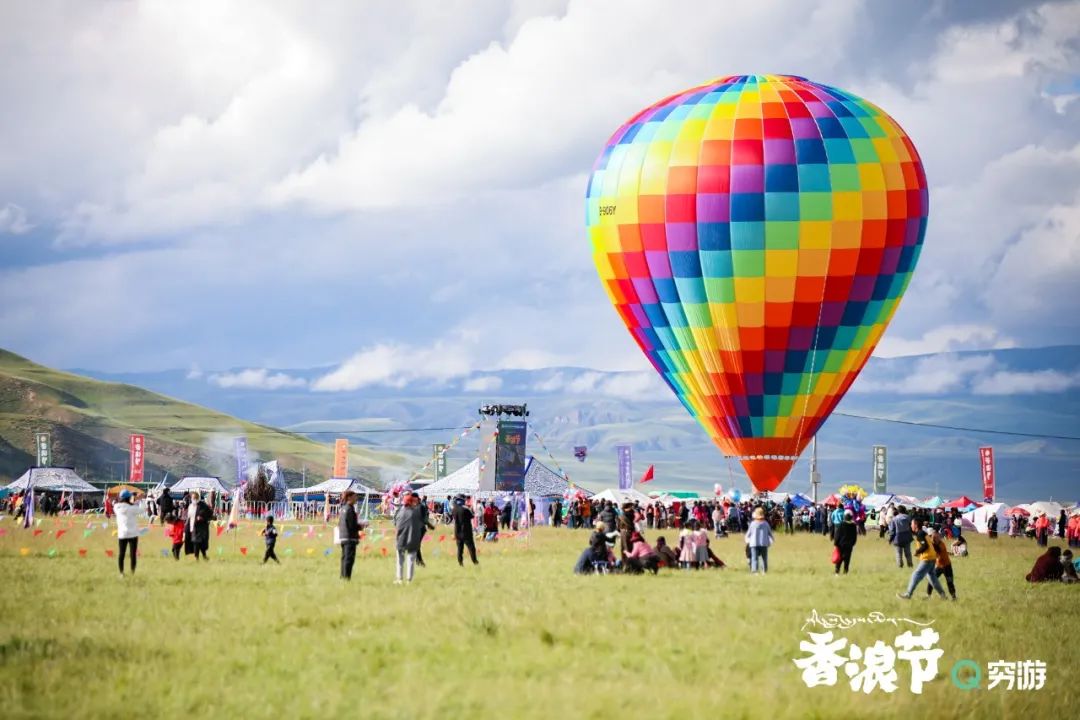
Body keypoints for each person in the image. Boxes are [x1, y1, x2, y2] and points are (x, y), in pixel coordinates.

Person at [897, 520, 948, 599]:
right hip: (932, 557)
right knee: (932, 577)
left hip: (927, 558)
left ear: (916, 525)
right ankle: (943, 595)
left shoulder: (920, 534)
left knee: (916, 575)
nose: (911, 526)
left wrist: (917, 552)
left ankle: (908, 594)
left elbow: (925, 546)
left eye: (912, 524)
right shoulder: (923, 533)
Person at [394, 493, 426, 584]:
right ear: (411, 502)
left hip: (401, 539)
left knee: (400, 560)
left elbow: (396, 524)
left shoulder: (399, 512)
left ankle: (399, 579)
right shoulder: (416, 513)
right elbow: (421, 525)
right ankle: (409, 580)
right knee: (411, 560)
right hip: (413, 539)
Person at [925, 527, 957, 600]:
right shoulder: (933, 544)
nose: (932, 538)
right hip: (939, 566)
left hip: (946, 566)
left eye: (933, 537)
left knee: (949, 582)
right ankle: (928, 595)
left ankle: (953, 597)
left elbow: (938, 554)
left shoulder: (941, 544)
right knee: (931, 580)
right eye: (931, 537)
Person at [114, 489, 141, 577]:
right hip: (133, 534)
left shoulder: (116, 507)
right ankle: (132, 573)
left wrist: (131, 498)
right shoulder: (133, 508)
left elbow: (123, 504)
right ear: (129, 498)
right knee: (133, 554)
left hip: (122, 534)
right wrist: (139, 499)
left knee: (121, 554)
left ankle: (121, 573)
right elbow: (142, 510)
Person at [183, 492, 213, 561]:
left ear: (198, 498)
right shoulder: (190, 506)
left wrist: (202, 517)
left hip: (201, 528)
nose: (194, 499)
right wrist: (186, 526)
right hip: (192, 526)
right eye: (193, 498)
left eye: (195, 498)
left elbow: (210, 514)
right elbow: (188, 516)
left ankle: (197, 558)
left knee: (197, 542)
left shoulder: (203, 505)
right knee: (196, 542)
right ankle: (204, 556)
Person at [338, 491, 361, 580]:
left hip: (343, 536)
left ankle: (342, 576)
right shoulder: (350, 509)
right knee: (349, 559)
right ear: (349, 498)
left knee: (344, 558)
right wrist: (361, 526)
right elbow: (352, 525)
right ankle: (346, 578)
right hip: (350, 538)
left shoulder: (343, 509)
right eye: (355, 497)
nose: (356, 498)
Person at [745, 507, 774, 574]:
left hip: (754, 543)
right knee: (764, 558)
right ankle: (764, 571)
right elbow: (770, 533)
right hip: (764, 543)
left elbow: (748, 535)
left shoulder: (753, 524)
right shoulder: (766, 523)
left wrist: (747, 541)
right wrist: (771, 541)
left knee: (754, 558)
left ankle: (755, 571)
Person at [451, 495, 479, 566]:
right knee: (471, 548)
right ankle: (475, 561)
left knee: (460, 549)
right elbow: (472, 516)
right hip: (466, 532)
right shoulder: (465, 509)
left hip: (457, 532)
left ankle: (460, 563)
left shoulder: (454, 509)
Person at [833, 509, 857, 575]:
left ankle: (837, 572)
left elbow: (837, 535)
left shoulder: (841, 524)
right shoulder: (853, 526)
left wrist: (835, 543)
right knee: (847, 559)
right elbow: (855, 537)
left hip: (840, 545)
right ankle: (845, 572)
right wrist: (852, 544)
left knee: (839, 559)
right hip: (849, 546)